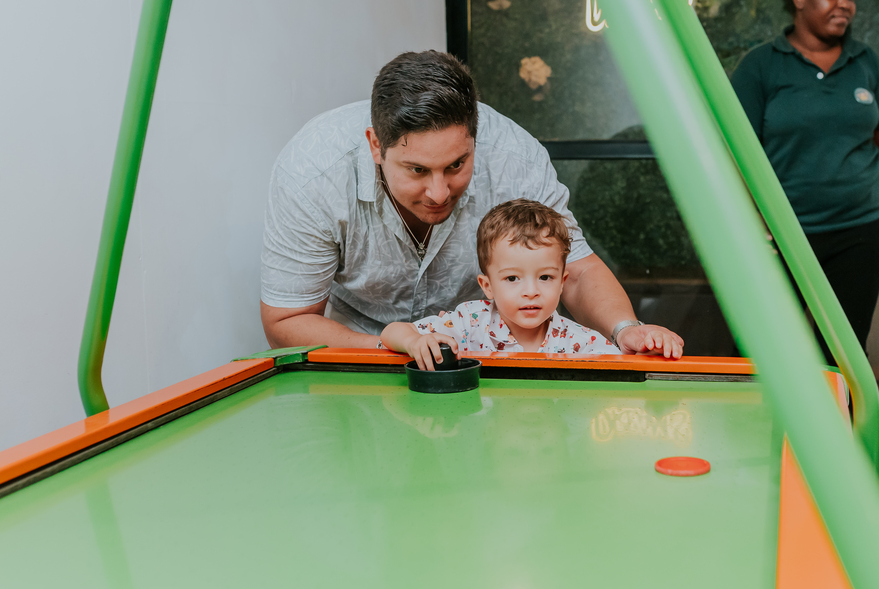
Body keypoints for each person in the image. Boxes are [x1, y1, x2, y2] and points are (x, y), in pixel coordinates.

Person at [261, 50, 684, 357]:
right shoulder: (312, 173)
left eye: (456, 165)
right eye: (417, 170)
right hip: (357, 348)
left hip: (484, 354)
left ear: (475, 138)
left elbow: (575, 270)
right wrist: (395, 347)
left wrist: (625, 329)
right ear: (375, 146)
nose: (439, 192)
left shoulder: (515, 159)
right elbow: (286, 321)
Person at [731, 0, 879, 354]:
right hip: (783, 238)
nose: (845, 4)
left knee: (843, 355)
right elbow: (736, 158)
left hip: (861, 232)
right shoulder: (760, 67)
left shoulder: (864, 61)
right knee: (773, 355)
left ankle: (841, 405)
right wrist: (754, 223)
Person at [381, 199, 620, 369]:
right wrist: (414, 342)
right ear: (488, 286)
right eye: (512, 278)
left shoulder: (581, 342)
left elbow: (622, 373)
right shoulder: (469, 324)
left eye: (545, 277)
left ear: (562, 283)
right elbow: (391, 333)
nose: (531, 292)